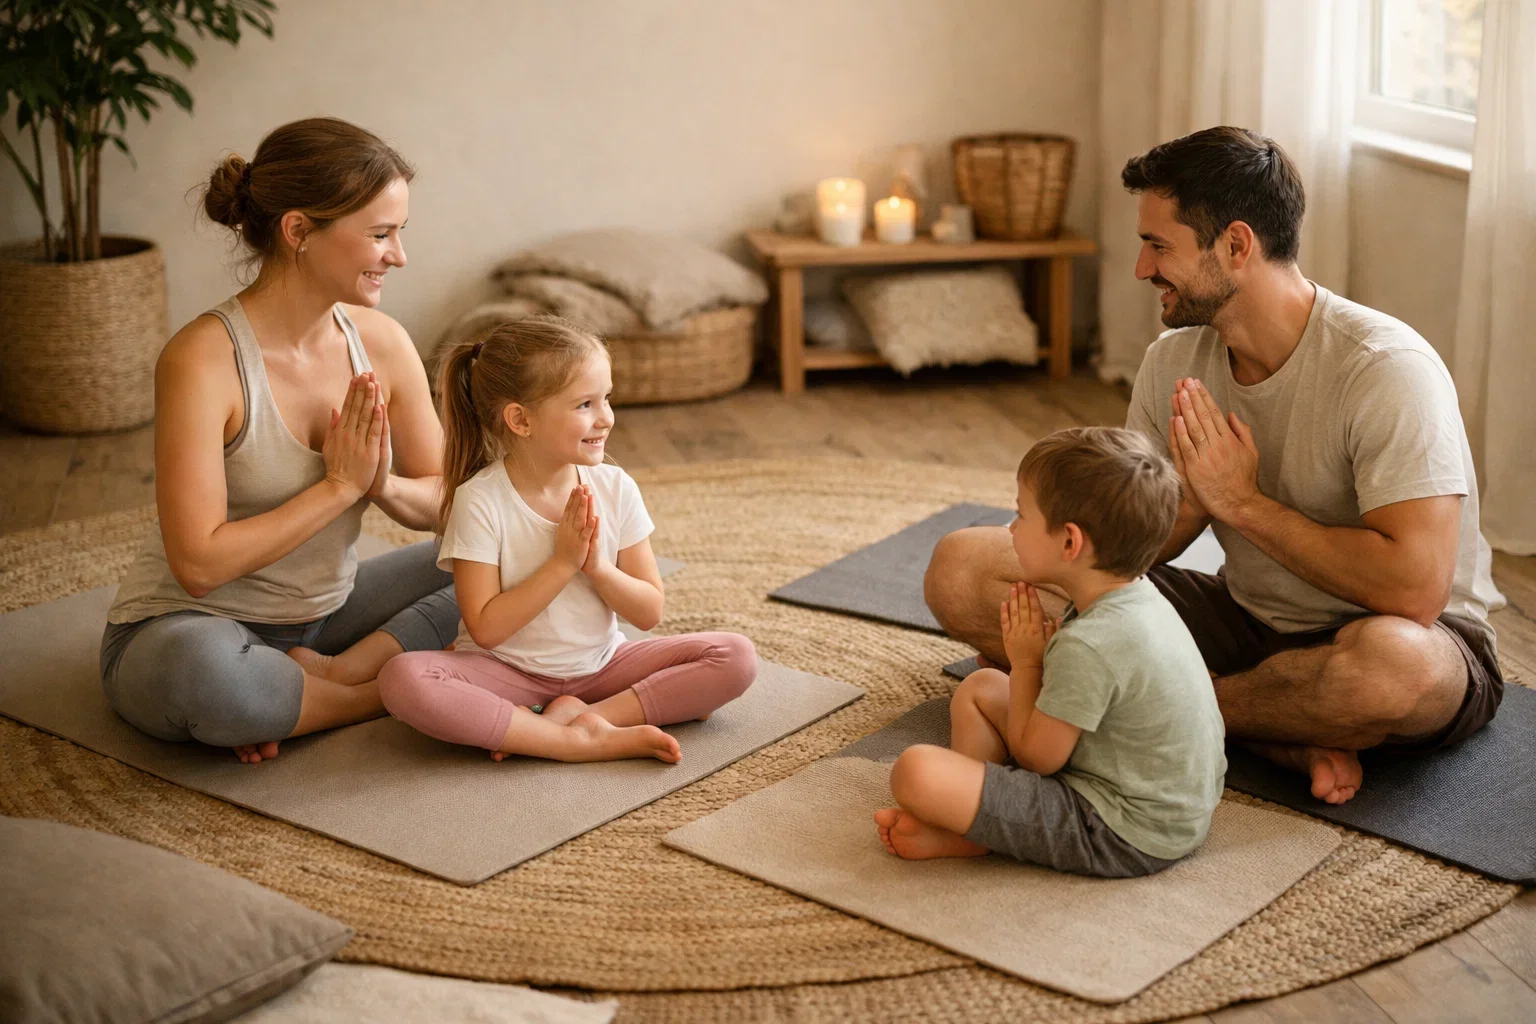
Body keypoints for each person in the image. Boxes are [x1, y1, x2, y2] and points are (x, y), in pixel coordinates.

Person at [924, 126, 1504, 805]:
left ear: (1235, 245)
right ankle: (1271, 730)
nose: (1141, 270)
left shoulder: (1385, 371)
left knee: (1390, 671)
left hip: (1408, 637)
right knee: (964, 569)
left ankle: (1172, 719)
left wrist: (1244, 505)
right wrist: (1194, 502)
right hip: (1246, 621)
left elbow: (1416, 592)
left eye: (1157, 245)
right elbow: (1119, 556)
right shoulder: (1171, 362)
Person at [100, 117, 459, 764]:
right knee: (206, 677)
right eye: (380, 234)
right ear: (298, 231)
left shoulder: (381, 343)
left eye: (399, 233)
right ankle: (377, 691)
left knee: (521, 553)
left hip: (329, 617)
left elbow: (454, 505)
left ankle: (315, 683)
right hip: (188, 629)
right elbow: (199, 566)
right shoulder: (203, 361)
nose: (398, 255)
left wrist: (384, 486)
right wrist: (339, 488)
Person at [376, 316, 757, 763]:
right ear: (520, 419)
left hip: (602, 668)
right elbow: (486, 628)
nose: (606, 418)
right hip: (506, 669)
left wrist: (596, 567)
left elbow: (649, 611)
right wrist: (562, 564)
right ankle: (567, 740)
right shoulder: (479, 501)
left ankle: (583, 719)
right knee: (402, 679)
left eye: (606, 398)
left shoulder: (615, 488)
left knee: (736, 656)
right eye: (584, 405)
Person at [875, 428, 1225, 874]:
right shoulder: (1136, 597)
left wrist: (1026, 661)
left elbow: (1037, 758)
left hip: (1123, 829)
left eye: (1021, 516)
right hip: (1165, 802)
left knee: (916, 771)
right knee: (982, 685)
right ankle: (972, 822)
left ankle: (971, 828)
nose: (1012, 528)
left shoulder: (1093, 644)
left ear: (1070, 543)